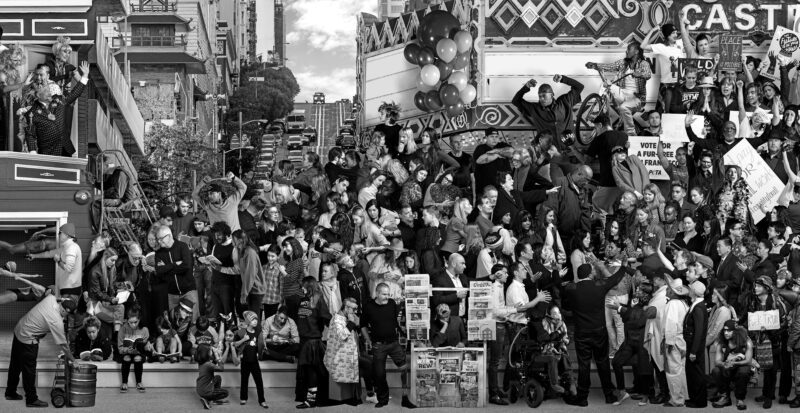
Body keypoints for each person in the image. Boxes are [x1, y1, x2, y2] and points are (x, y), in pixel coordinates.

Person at [564, 261, 629, 406]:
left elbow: (563, 299)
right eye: (592, 270)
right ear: (589, 274)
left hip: (582, 332)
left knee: (584, 365)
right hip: (599, 331)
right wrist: (623, 266)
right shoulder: (599, 286)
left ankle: (582, 398)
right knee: (603, 362)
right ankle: (609, 396)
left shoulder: (571, 288)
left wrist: (556, 272)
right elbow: (615, 279)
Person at [5, 294, 77, 408]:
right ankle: (31, 399)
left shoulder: (51, 299)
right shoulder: (56, 322)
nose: (67, 317)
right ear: (66, 311)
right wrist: (73, 360)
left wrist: (64, 299)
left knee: (15, 365)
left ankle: (10, 392)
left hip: (19, 329)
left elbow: (52, 292)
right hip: (28, 339)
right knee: (29, 371)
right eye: (67, 314)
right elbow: (64, 346)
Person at [361, 283, 416, 409]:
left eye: (388, 294)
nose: (387, 297)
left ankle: (404, 398)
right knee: (379, 374)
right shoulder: (368, 306)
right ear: (377, 293)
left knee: (404, 369)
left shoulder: (391, 303)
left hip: (394, 343)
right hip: (378, 346)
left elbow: (399, 318)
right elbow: (362, 325)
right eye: (384, 294)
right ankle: (383, 399)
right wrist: (368, 339)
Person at [22, 61, 88, 156]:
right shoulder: (32, 113)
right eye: (47, 92)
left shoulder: (58, 100)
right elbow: (30, 134)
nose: (50, 94)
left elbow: (74, 94)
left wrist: (85, 76)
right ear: (38, 95)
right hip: (48, 153)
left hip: (66, 148)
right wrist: (32, 151)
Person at [586, 40, 652, 135]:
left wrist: (640, 74)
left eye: (629, 49)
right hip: (622, 93)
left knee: (623, 107)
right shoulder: (623, 63)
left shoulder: (643, 63)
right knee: (606, 84)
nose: (626, 51)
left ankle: (631, 134)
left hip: (636, 98)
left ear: (636, 51)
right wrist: (595, 65)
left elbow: (648, 74)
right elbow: (610, 66)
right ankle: (599, 107)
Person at [512, 74, 584, 150]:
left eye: (544, 95)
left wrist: (563, 79)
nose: (542, 98)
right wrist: (526, 87)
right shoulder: (534, 108)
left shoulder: (565, 101)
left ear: (552, 95)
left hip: (571, 148)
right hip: (550, 152)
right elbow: (515, 101)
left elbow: (579, 87)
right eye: (539, 96)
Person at [585, 113, 628, 214]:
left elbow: (586, 161)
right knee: (619, 211)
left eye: (596, 128)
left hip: (608, 182)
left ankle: (604, 228)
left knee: (598, 206)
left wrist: (572, 148)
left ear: (600, 125)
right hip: (625, 181)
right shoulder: (624, 135)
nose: (596, 131)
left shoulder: (599, 139)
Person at [27, 222, 82, 300]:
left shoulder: (71, 248)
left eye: (60, 233)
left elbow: (68, 268)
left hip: (70, 291)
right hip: (67, 289)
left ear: (67, 235)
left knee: (65, 310)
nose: (58, 235)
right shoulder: (66, 248)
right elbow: (49, 254)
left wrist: (58, 261)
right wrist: (34, 256)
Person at [323, 297, 362, 405]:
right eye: (353, 309)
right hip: (339, 356)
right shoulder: (336, 319)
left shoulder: (347, 317)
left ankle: (359, 396)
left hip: (350, 355)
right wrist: (352, 323)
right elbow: (342, 335)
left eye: (356, 309)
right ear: (346, 308)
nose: (355, 311)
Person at [154, 226, 196, 318]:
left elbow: (187, 266)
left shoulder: (183, 246)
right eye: (158, 239)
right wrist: (174, 264)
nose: (159, 241)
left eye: (161, 239)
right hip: (172, 294)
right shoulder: (159, 253)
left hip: (188, 291)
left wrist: (166, 268)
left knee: (192, 320)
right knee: (175, 322)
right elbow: (159, 271)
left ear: (169, 236)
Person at [710, 320, 753, 410]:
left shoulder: (746, 341)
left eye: (729, 331)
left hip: (740, 367)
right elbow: (717, 361)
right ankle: (725, 397)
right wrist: (724, 364)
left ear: (735, 331)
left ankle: (740, 399)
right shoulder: (721, 342)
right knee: (716, 371)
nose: (726, 333)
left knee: (744, 371)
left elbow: (748, 361)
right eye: (725, 330)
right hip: (727, 368)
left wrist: (734, 363)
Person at [234, 310, 268, 408]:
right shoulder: (241, 333)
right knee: (244, 380)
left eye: (256, 319)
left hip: (254, 361)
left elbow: (260, 344)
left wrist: (261, 350)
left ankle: (262, 400)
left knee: (259, 381)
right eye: (253, 319)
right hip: (245, 361)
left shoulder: (258, 333)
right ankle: (243, 398)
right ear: (248, 321)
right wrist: (243, 339)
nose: (255, 321)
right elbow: (235, 344)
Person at [684, 280, 709, 408]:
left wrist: (693, 351)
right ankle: (694, 398)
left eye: (690, 289)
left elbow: (698, 331)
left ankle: (699, 402)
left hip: (695, 348)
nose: (688, 290)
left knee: (697, 374)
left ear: (693, 292)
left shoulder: (698, 308)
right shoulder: (696, 305)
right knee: (692, 374)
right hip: (692, 345)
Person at [118, 307, 153, 394]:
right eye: (131, 322)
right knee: (126, 358)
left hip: (140, 353)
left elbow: (146, 346)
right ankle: (124, 382)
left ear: (139, 319)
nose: (133, 325)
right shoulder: (123, 329)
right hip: (127, 353)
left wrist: (147, 347)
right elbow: (120, 348)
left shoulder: (144, 330)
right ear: (127, 320)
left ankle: (139, 382)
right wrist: (127, 350)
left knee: (137, 358)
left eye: (135, 322)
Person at [233, 229, 266, 318]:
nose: (233, 242)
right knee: (251, 318)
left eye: (234, 239)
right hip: (251, 289)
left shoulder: (249, 252)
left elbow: (249, 275)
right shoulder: (242, 251)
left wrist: (244, 294)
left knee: (253, 319)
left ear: (240, 240)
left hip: (255, 289)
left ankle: (257, 332)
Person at [195, 344, 230, 409]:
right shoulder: (208, 364)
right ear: (206, 353)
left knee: (217, 378)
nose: (212, 351)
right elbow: (221, 369)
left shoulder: (202, 363)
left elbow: (212, 362)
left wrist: (215, 352)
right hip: (206, 391)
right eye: (211, 350)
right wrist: (217, 356)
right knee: (225, 393)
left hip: (200, 389)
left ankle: (211, 399)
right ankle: (207, 399)